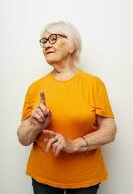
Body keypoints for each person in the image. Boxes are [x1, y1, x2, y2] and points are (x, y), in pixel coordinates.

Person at [17, 21, 117, 194]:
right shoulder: (35, 87)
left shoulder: (93, 84)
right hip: (43, 178)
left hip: (85, 178)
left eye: (53, 38)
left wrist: (74, 145)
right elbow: (23, 139)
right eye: (44, 41)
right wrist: (36, 125)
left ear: (71, 45)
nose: (46, 44)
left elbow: (110, 130)